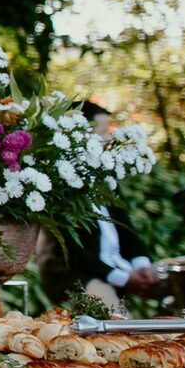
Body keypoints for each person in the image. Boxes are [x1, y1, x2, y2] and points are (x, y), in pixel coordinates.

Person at [40, 102, 159, 309]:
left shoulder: (105, 177)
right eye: (102, 132)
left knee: (181, 276)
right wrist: (124, 278)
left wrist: (141, 264)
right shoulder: (58, 183)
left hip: (118, 267)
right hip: (78, 275)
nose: (108, 138)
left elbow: (127, 229)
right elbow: (77, 253)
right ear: (80, 135)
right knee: (114, 317)